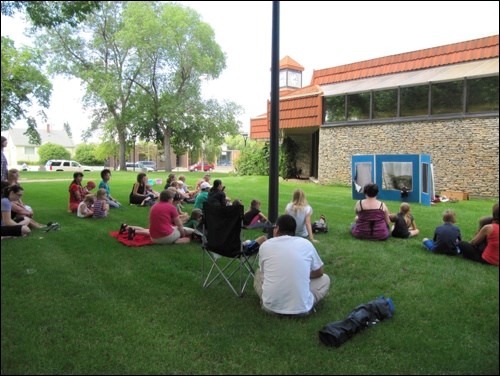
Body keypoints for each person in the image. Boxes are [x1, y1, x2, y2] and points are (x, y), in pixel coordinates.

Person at [254, 214, 330, 316]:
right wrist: (302, 274)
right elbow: (319, 272)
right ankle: (303, 301)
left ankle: (270, 298)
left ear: (277, 229)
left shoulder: (265, 245)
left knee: (258, 272)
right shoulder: (306, 244)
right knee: (325, 279)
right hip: (303, 310)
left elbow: (264, 272)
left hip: (270, 308)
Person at [119, 189, 197, 244]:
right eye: (172, 198)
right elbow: (179, 224)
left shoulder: (155, 206)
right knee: (182, 232)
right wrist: (182, 234)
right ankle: (195, 234)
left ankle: (128, 228)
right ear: (170, 199)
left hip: (154, 237)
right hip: (164, 237)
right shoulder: (171, 207)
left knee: (176, 228)